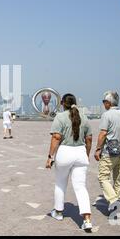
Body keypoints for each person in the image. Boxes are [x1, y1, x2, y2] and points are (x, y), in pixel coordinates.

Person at [46, 93, 93, 231]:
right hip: (80, 153)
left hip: (64, 153)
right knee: (81, 187)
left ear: (62, 103)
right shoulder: (83, 117)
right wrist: (87, 154)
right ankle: (87, 219)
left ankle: (58, 212)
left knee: (60, 183)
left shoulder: (60, 117)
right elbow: (89, 138)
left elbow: (56, 137)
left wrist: (50, 157)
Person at [94, 91, 120, 214]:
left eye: (104, 102)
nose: (103, 104)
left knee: (103, 177)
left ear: (108, 103)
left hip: (109, 152)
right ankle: (117, 205)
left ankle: (114, 199)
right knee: (118, 179)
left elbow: (103, 133)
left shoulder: (107, 115)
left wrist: (98, 149)